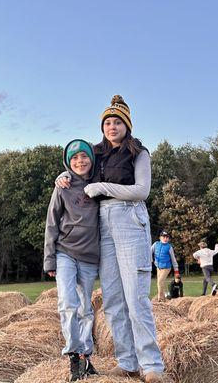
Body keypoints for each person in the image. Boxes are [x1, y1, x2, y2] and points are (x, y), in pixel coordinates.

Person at [56, 95, 167, 383]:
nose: (112, 126)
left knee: (135, 297)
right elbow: (77, 167)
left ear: (127, 125)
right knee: (114, 299)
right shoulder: (96, 153)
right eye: (107, 122)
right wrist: (63, 176)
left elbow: (141, 190)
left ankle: (152, 365)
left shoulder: (138, 152)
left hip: (130, 218)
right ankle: (127, 362)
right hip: (102, 224)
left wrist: (104, 186)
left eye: (117, 121)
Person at [43, 139, 100, 382]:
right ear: (68, 161)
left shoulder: (100, 185)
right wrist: (49, 260)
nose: (80, 161)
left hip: (90, 256)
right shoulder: (62, 186)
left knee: (86, 308)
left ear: (91, 159)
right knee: (67, 303)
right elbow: (51, 222)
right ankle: (73, 354)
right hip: (65, 251)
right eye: (74, 158)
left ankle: (87, 354)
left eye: (84, 156)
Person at [151, 231, 180, 302]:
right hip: (158, 267)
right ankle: (163, 298)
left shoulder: (169, 247)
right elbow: (150, 252)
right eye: (164, 237)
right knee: (159, 282)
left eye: (167, 237)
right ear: (160, 237)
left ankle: (160, 298)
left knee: (160, 282)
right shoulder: (155, 244)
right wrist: (151, 260)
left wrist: (176, 271)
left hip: (166, 268)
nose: (165, 238)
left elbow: (173, 259)